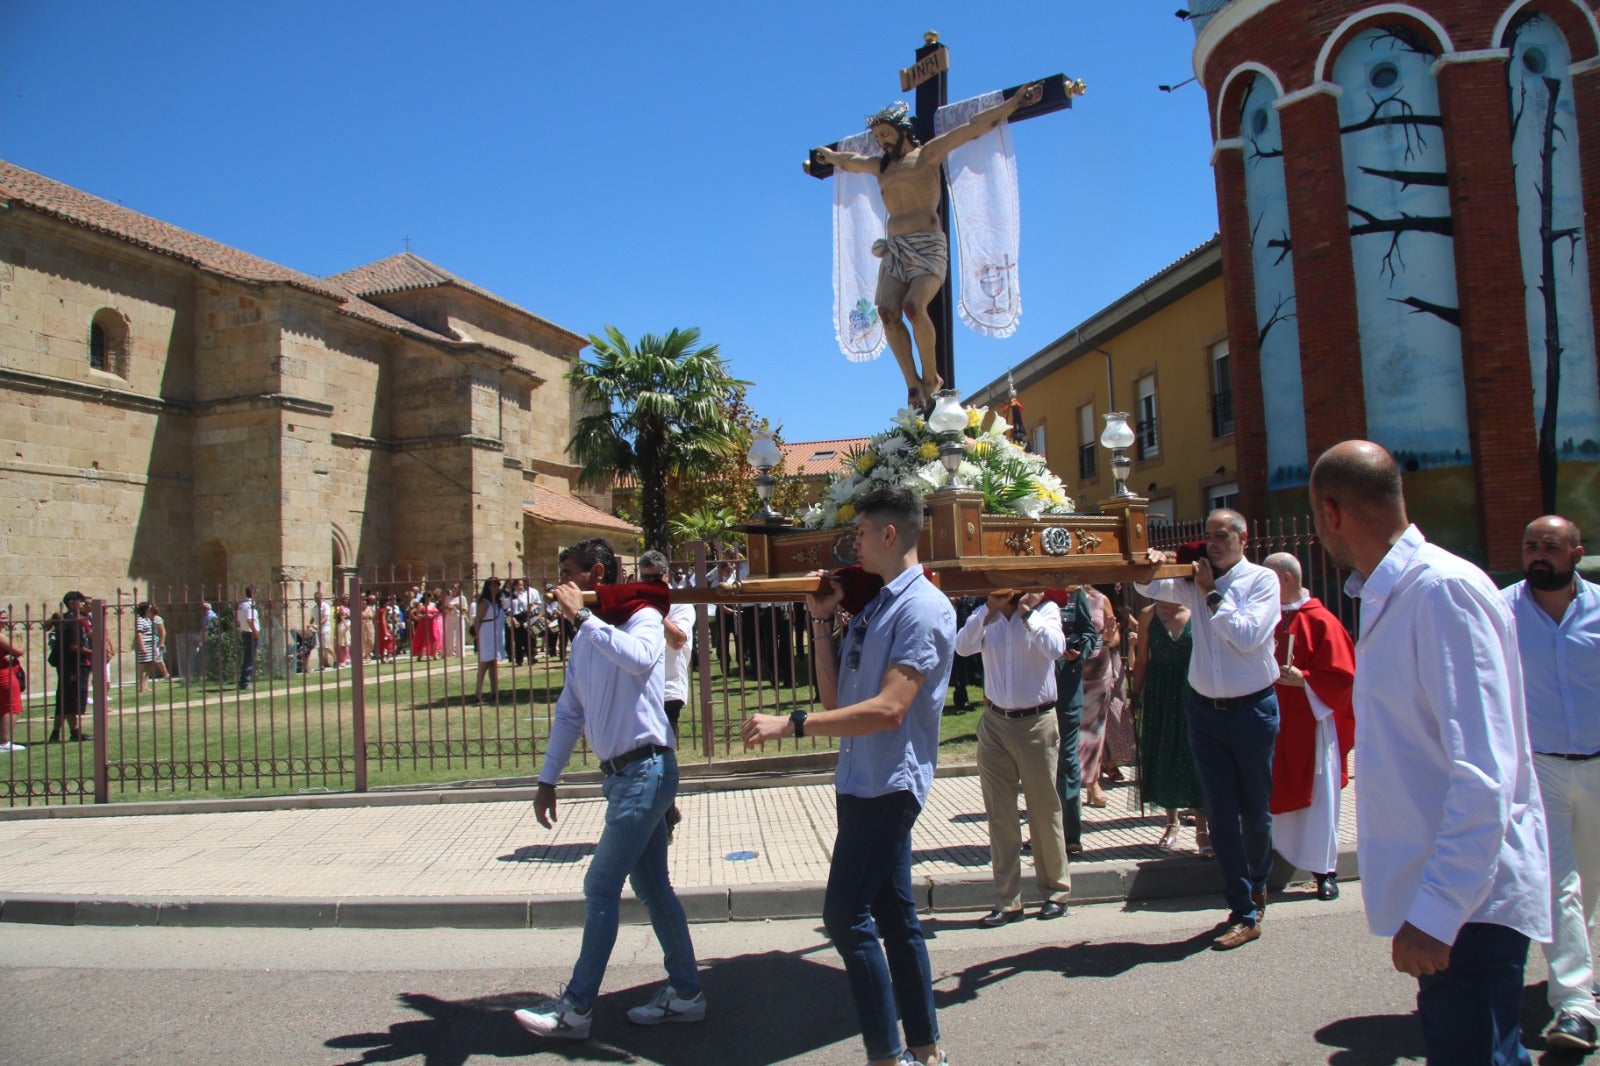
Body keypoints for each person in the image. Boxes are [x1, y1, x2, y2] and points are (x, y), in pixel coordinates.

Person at [1310, 440, 1549, 1064]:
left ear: (1330, 514)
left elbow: (1484, 772)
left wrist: (1438, 911)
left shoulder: (1440, 591)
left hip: (1472, 904)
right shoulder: (1391, 593)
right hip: (1452, 896)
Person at [742, 485, 955, 1066]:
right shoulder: (879, 605)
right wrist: (820, 625)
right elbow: (838, 698)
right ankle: (926, 1048)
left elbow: (889, 710)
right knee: (894, 917)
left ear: (890, 535)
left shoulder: (923, 609)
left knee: (844, 916)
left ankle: (888, 1055)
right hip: (860, 782)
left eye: (860, 532)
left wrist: (791, 724)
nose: (852, 543)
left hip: (889, 786)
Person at [515, 538, 704, 1041]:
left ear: (595, 574)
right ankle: (687, 993)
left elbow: (644, 659)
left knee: (600, 886)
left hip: (647, 771)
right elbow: (570, 713)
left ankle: (575, 1010)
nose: (560, 586)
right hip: (624, 776)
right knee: (651, 887)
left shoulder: (639, 615)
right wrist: (546, 779)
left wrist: (585, 619)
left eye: (569, 574)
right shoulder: (585, 640)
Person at [813, 84, 1043, 410]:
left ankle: (931, 377)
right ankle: (912, 384)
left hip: (927, 246)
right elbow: (852, 161)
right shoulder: (881, 166)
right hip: (896, 250)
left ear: (901, 129)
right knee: (887, 312)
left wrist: (1015, 103)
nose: (882, 141)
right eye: (877, 137)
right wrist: (833, 157)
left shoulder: (927, 155)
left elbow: (973, 126)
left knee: (913, 307)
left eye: (886, 133)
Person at [1138, 509, 1281, 950]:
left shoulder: (1261, 581)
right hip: (1203, 711)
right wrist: (1154, 560)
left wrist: (1209, 593)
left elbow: (1247, 634)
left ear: (1243, 537)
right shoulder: (1192, 579)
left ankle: (1258, 884)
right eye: (1208, 536)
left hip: (1251, 711)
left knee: (1254, 811)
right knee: (1219, 814)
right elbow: (1146, 584)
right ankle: (1242, 909)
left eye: (1222, 536)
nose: (1213, 543)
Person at [1503, 514, 1600, 1051]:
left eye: (1551, 547)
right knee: (1558, 882)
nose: (1538, 555)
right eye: (1530, 545)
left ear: (1575, 552)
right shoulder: (1503, 610)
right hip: (1540, 767)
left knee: (1590, 880)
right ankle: (1575, 1007)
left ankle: (1579, 974)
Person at [955, 587, 1072, 927]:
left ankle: (1055, 892)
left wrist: (1026, 613)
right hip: (995, 723)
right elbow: (962, 647)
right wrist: (987, 610)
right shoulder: (986, 616)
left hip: (1036, 722)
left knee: (1043, 808)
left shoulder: (1045, 610)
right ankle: (1008, 900)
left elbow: (1055, 648)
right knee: (1000, 814)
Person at [1262, 552, 1355, 902]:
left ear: (1285, 579)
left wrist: (1305, 680)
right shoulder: (1267, 615)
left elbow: (1343, 676)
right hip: (1270, 720)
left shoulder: (1321, 620)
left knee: (1319, 797)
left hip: (1310, 725)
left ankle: (1324, 871)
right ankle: (1270, 863)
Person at [1130, 598, 1210, 853]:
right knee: (1164, 751)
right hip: (1159, 691)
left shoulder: (1197, 608)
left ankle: (1202, 827)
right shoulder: (1148, 614)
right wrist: (1135, 695)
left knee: (1195, 756)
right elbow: (1142, 659)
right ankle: (1171, 822)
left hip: (1192, 689)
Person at [1048, 586, 1100, 855]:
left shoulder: (1074, 592)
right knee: (1040, 767)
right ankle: (1045, 833)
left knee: (1067, 762)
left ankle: (1070, 835)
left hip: (1068, 690)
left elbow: (1090, 634)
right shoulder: (1026, 590)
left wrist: (1080, 649)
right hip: (1037, 693)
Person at [643, 550, 690, 842]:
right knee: (646, 759)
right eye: (645, 577)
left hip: (669, 690)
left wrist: (656, 611)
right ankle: (666, 813)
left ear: (666, 576)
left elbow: (678, 639)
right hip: (643, 689)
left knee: (662, 758)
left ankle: (665, 823)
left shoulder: (680, 602)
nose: (649, 582)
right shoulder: (639, 603)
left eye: (655, 577)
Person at [1077, 585, 1120, 809]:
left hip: (1097, 668)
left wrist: (1111, 636)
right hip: (1069, 669)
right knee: (1071, 728)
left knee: (1094, 729)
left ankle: (1093, 783)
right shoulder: (1057, 597)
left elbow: (1114, 638)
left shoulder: (1100, 599)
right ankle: (1071, 783)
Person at [50, 590, 94, 742]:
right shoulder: (73, 620)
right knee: (70, 701)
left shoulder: (67, 619)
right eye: (79, 601)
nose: (82, 604)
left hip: (67, 665)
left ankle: (57, 734)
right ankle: (74, 733)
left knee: (64, 701)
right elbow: (74, 646)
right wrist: (94, 652)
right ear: (71, 603)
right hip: (74, 666)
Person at [472, 578, 506, 704]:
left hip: (495, 634)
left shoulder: (496, 602)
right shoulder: (485, 602)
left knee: (493, 664)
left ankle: (494, 692)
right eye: (494, 584)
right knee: (484, 664)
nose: (497, 587)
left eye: (498, 584)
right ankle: (478, 694)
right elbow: (477, 621)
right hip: (486, 634)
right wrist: (477, 639)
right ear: (488, 587)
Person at [0, 608, 25, 752]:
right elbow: (18, 651)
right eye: (3, 618)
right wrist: (17, 651)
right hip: (5, 674)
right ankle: (5, 742)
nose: (6, 620)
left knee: (4, 707)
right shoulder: (1, 636)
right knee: (12, 707)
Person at [133, 601, 164, 694]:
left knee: (149, 666)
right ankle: (141, 687)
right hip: (145, 645)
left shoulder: (148, 619)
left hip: (151, 645)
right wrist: (142, 647)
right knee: (143, 667)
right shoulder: (139, 620)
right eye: (149, 608)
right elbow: (139, 634)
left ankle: (145, 686)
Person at [236, 585, 260, 690]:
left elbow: (237, 620)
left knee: (247, 658)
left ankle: (243, 680)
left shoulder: (241, 605)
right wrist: (255, 632)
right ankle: (245, 682)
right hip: (250, 633)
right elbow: (250, 620)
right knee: (250, 658)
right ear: (253, 593)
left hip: (244, 632)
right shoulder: (250, 605)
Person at [442, 584, 468, 658]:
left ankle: (460, 653)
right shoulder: (448, 598)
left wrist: (458, 606)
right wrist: (449, 609)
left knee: (460, 634)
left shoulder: (462, 598)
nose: (454, 589)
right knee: (449, 634)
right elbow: (444, 608)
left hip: (459, 617)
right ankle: (448, 652)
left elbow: (465, 609)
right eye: (453, 588)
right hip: (449, 617)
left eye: (456, 588)